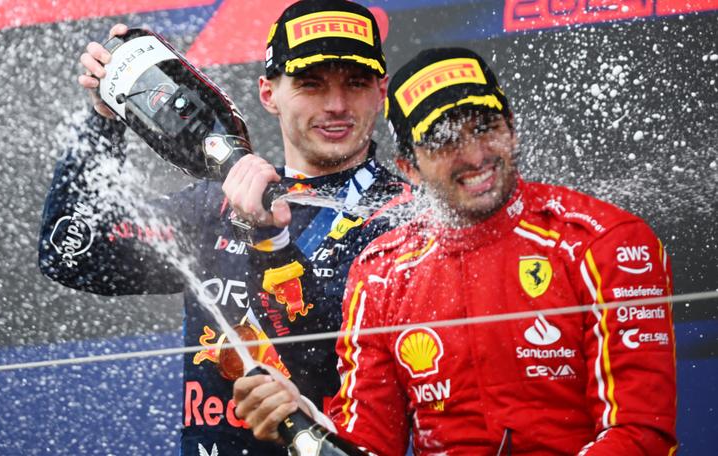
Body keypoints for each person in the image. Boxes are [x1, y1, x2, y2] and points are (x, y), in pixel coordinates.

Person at [234, 48, 678, 455]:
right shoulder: (382, 273)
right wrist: (306, 424)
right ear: (409, 167)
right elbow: (369, 443)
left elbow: (641, 434)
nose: (476, 156)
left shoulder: (603, 242)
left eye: (486, 128)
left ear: (512, 130)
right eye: (444, 141)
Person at [38, 1, 408, 455]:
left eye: (356, 83)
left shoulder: (406, 220)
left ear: (381, 91)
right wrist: (104, 122)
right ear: (268, 93)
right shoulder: (214, 205)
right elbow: (70, 254)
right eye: (310, 84)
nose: (335, 105)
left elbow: (323, 366)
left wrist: (272, 242)